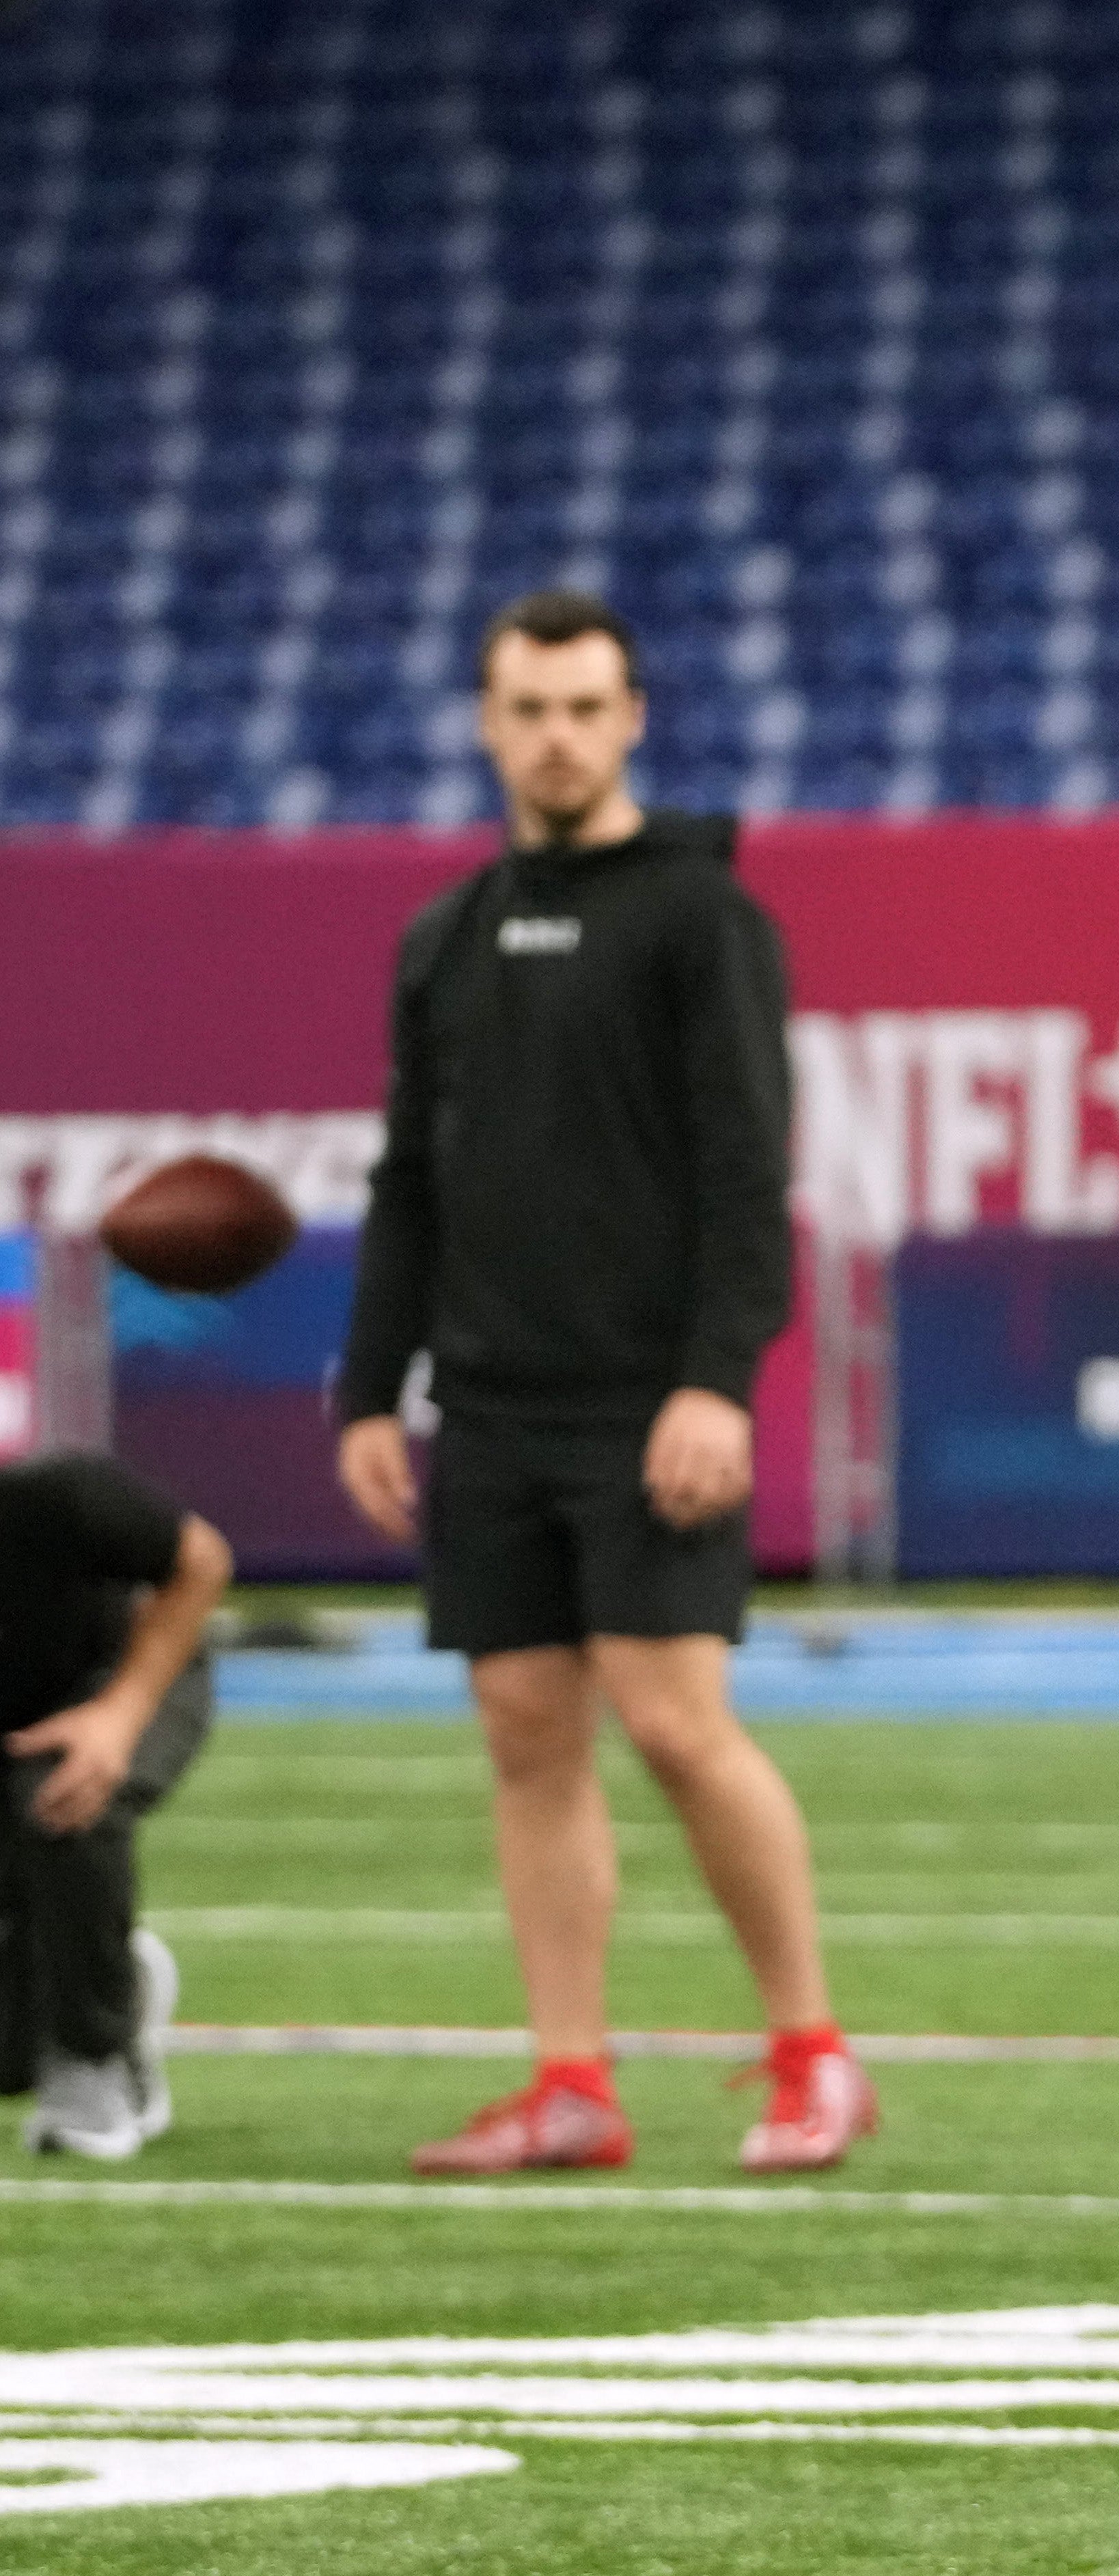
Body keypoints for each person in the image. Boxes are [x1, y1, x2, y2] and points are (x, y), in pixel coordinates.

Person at [334, 590, 870, 2176]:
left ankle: (814, 2052)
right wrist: (373, 1387)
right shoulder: (446, 935)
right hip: (491, 1403)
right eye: (528, 708)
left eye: (584, 706)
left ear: (632, 719)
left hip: (649, 1399)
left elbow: (744, 1167)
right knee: (521, 1724)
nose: (556, 736)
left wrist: (716, 1380)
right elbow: (407, 1182)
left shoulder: (702, 916)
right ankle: (571, 2079)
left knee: (677, 1722)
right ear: (489, 724)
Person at [3, 1453, 228, 2162]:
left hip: (127, 1672)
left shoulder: (57, 1497)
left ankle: (93, 2054)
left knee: (60, 1791)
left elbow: (202, 1559)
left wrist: (121, 1712)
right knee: (7, 2059)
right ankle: (111, 1979)